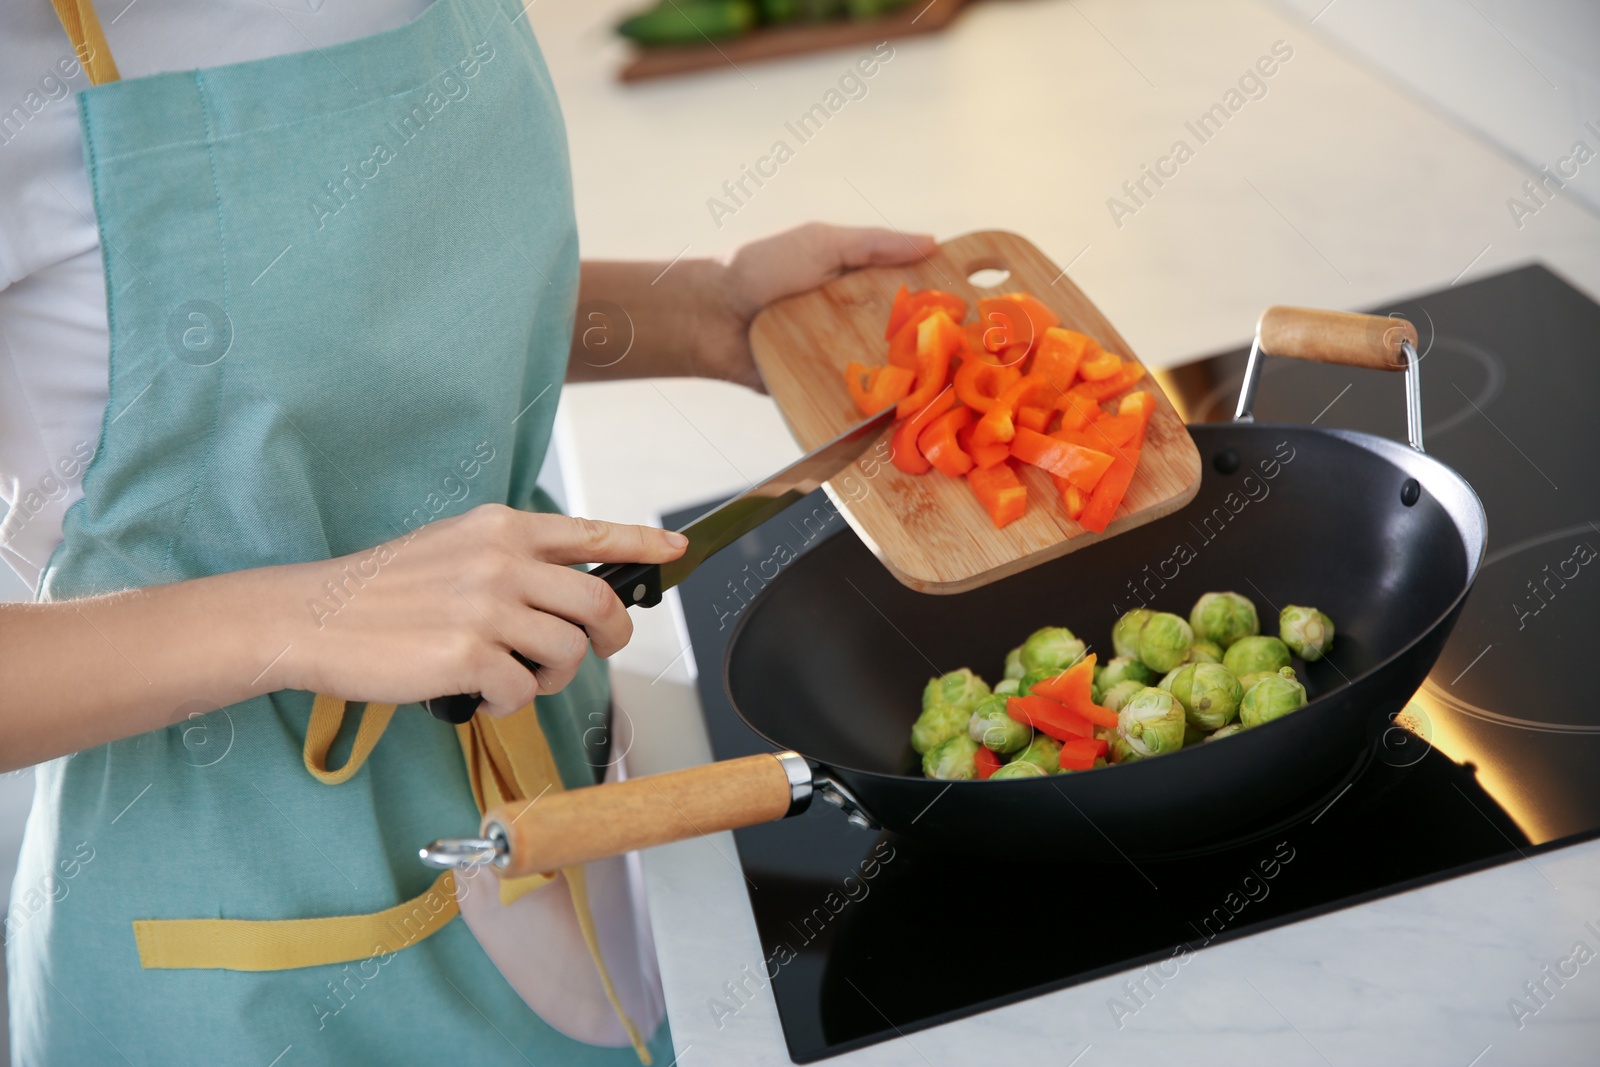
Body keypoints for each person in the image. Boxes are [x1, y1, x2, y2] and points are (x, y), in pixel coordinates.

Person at [0, 1, 932, 1062]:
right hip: (240, 912)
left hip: (552, 782)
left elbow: (371, 315)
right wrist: (301, 615)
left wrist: (712, 313)